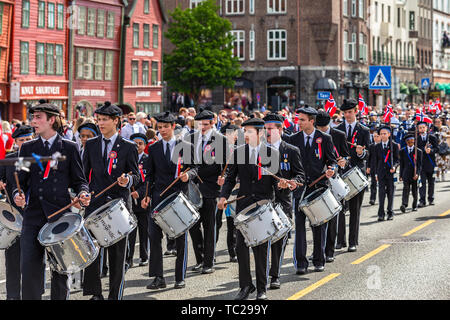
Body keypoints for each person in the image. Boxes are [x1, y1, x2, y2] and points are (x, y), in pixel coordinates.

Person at [13, 103, 91, 300]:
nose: (33, 121)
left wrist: (83, 193)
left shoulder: (70, 148)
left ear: (52, 120)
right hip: (33, 215)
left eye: (38, 117)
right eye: (33, 117)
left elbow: (80, 181)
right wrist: (17, 194)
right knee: (29, 266)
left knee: (60, 270)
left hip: (60, 215)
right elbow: (19, 182)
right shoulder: (27, 148)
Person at [217, 117, 289, 300]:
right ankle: (245, 286)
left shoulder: (271, 153)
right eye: (245, 131)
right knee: (241, 247)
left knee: (261, 249)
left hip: (264, 206)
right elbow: (231, 178)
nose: (245, 135)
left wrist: (281, 186)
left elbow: (276, 179)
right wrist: (223, 196)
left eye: (249, 131)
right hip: (243, 206)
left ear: (260, 133)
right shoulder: (238, 152)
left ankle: (262, 288)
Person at [82, 101, 140, 300]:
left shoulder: (128, 147)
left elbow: (137, 176)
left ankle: (115, 295)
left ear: (116, 121)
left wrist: (128, 180)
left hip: (118, 205)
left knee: (117, 256)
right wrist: (83, 192)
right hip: (96, 203)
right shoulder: (90, 144)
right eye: (98, 120)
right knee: (92, 250)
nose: (100, 123)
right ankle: (95, 293)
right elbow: (83, 175)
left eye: (105, 120)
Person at [141, 111, 198, 290]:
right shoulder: (154, 148)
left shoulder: (185, 146)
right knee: (154, 237)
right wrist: (147, 195)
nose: (163, 130)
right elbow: (149, 175)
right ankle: (158, 277)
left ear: (173, 127)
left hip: (179, 196)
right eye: (160, 127)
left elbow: (195, 169)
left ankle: (180, 277)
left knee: (180, 238)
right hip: (158, 197)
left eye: (166, 127)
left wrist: (187, 175)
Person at [285, 106, 336, 274]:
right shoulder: (293, 139)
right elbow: (289, 164)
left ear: (312, 121)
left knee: (318, 226)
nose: (298, 122)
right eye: (298, 119)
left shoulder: (325, 138)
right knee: (299, 226)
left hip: (318, 187)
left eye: (302, 120)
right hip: (300, 188)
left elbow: (332, 160)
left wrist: (331, 169)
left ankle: (319, 259)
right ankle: (301, 263)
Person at [263, 113, 305, 290]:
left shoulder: (291, 150)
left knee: (281, 238)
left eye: (270, 129)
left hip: (283, 201)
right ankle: (263, 271)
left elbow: (300, 175)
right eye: (265, 129)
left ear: (280, 130)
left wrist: (292, 183)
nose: (267, 132)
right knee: (264, 238)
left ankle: (275, 274)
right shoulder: (258, 151)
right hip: (263, 200)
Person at [185, 110, 228, 274]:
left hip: (210, 188)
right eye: (199, 124)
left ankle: (209, 262)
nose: (202, 127)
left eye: (205, 124)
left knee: (210, 226)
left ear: (212, 123)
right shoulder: (190, 140)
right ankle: (200, 258)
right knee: (193, 226)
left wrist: (222, 178)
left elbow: (224, 164)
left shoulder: (220, 140)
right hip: (193, 187)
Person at [0, 125, 34, 300]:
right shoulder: (9, 159)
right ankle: (12, 296)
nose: (26, 143)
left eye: (29, 139)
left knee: (34, 261)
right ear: (16, 142)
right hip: (14, 217)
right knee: (13, 260)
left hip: (35, 216)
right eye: (22, 141)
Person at [315, 110, 350, 263]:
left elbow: (346, 155)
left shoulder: (339, 135)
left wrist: (344, 161)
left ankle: (330, 250)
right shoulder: (313, 135)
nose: (321, 130)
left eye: (323, 128)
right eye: (319, 127)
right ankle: (319, 251)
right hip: (318, 179)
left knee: (333, 215)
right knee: (319, 218)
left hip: (335, 179)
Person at [335, 99, 370, 252]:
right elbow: (333, 152)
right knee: (340, 208)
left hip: (357, 173)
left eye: (350, 112)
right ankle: (340, 240)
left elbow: (368, 153)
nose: (347, 115)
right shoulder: (338, 130)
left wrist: (361, 153)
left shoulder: (364, 130)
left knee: (355, 209)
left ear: (356, 111)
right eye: (345, 113)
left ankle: (352, 241)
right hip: (342, 173)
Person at [127, 133, 150, 268]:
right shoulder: (128, 159)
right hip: (130, 199)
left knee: (144, 229)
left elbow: (148, 180)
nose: (138, 147)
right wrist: (131, 191)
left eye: (140, 144)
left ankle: (144, 255)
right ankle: (128, 258)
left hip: (143, 200)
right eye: (135, 144)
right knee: (130, 231)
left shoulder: (147, 159)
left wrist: (140, 193)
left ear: (145, 145)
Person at [373, 126, 400, 221]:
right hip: (381, 173)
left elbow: (397, 159)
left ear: (389, 134)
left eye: (385, 133)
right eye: (381, 134)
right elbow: (375, 161)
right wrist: (376, 173)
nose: (383, 135)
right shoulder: (377, 146)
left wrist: (394, 167)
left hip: (390, 172)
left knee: (390, 192)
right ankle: (381, 213)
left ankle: (390, 212)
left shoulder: (394, 145)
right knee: (381, 194)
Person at [400, 132, 423, 213]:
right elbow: (401, 164)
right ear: (406, 142)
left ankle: (414, 205)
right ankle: (404, 204)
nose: (411, 143)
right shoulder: (402, 151)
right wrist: (400, 175)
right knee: (405, 189)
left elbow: (420, 165)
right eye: (409, 142)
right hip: (406, 173)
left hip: (414, 173)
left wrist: (417, 174)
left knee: (414, 190)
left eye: (412, 141)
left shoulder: (418, 151)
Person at [417, 121, 438, 207]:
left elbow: (437, 148)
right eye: (420, 128)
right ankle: (422, 200)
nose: (422, 129)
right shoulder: (417, 139)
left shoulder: (432, 137)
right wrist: (423, 150)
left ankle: (431, 198)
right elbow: (416, 149)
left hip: (431, 163)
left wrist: (431, 151)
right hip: (421, 164)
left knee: (431, 182)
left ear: (427, 128)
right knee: (422, 183)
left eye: (423, 127)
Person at [367, 127, 381, 205]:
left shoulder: (383, 145)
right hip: (373, 167)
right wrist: (368, 167)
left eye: (377, 136)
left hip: (381, 167)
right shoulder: (371, 146)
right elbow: (369, 157)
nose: (375, 138)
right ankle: (372, 198)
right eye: (374, 136)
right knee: (373, 183)